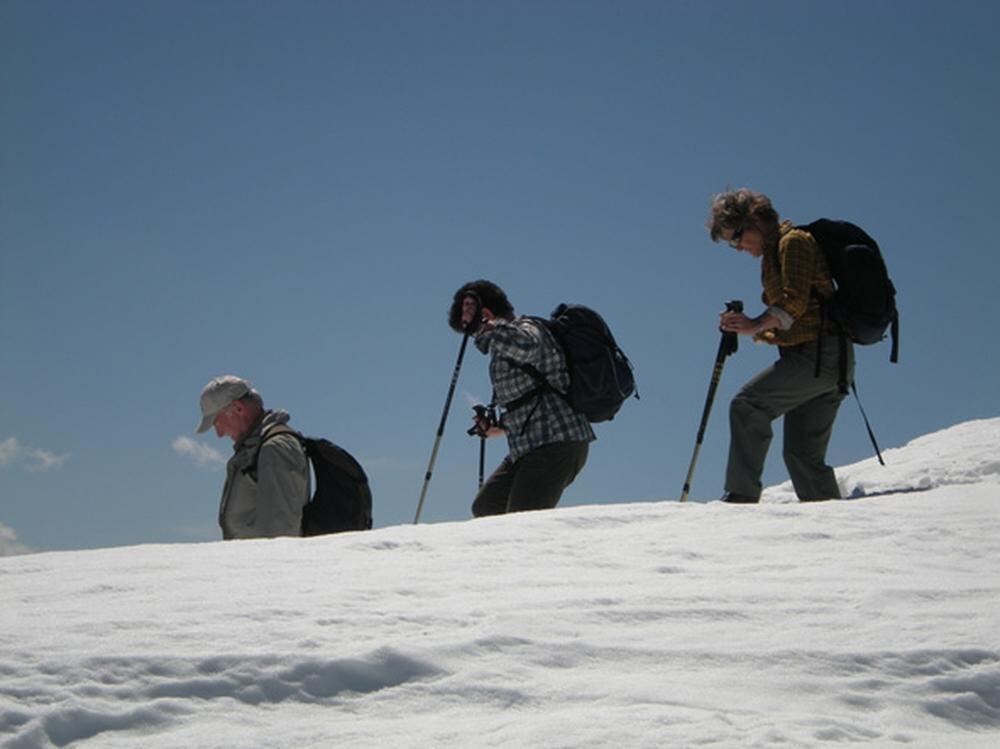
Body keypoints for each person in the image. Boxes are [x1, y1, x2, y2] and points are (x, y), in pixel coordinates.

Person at [706, 189, 854, 503]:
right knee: (802, 455)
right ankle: (832, 523)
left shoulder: (793, 242)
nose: (738, 247)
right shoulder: (775, 254)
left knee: (747, 405)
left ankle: (741, 498)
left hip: (819, 358)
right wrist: (750, 327)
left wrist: (754, 325)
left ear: (756, 219)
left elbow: (794, 303)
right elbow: (795, 312)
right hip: (826, 363)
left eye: (736, 237)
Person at [448, 280, 595, 517]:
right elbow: (529, 403)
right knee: (486, 507)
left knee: (523, 519)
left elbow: (527, 346)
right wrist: (497, 427)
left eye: (471, 328)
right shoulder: (501, 347)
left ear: (485, 313)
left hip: (558, 442)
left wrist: (489, 327)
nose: (474, 335)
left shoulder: (528, 328)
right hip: (529, 446)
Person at [195, 375, 310, 538]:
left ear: (238, 408)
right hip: (252, 561)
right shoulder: (257, 449)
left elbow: (281, 532)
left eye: (217, 422)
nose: (219, 434)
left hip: (267, 563)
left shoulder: (275, 448)